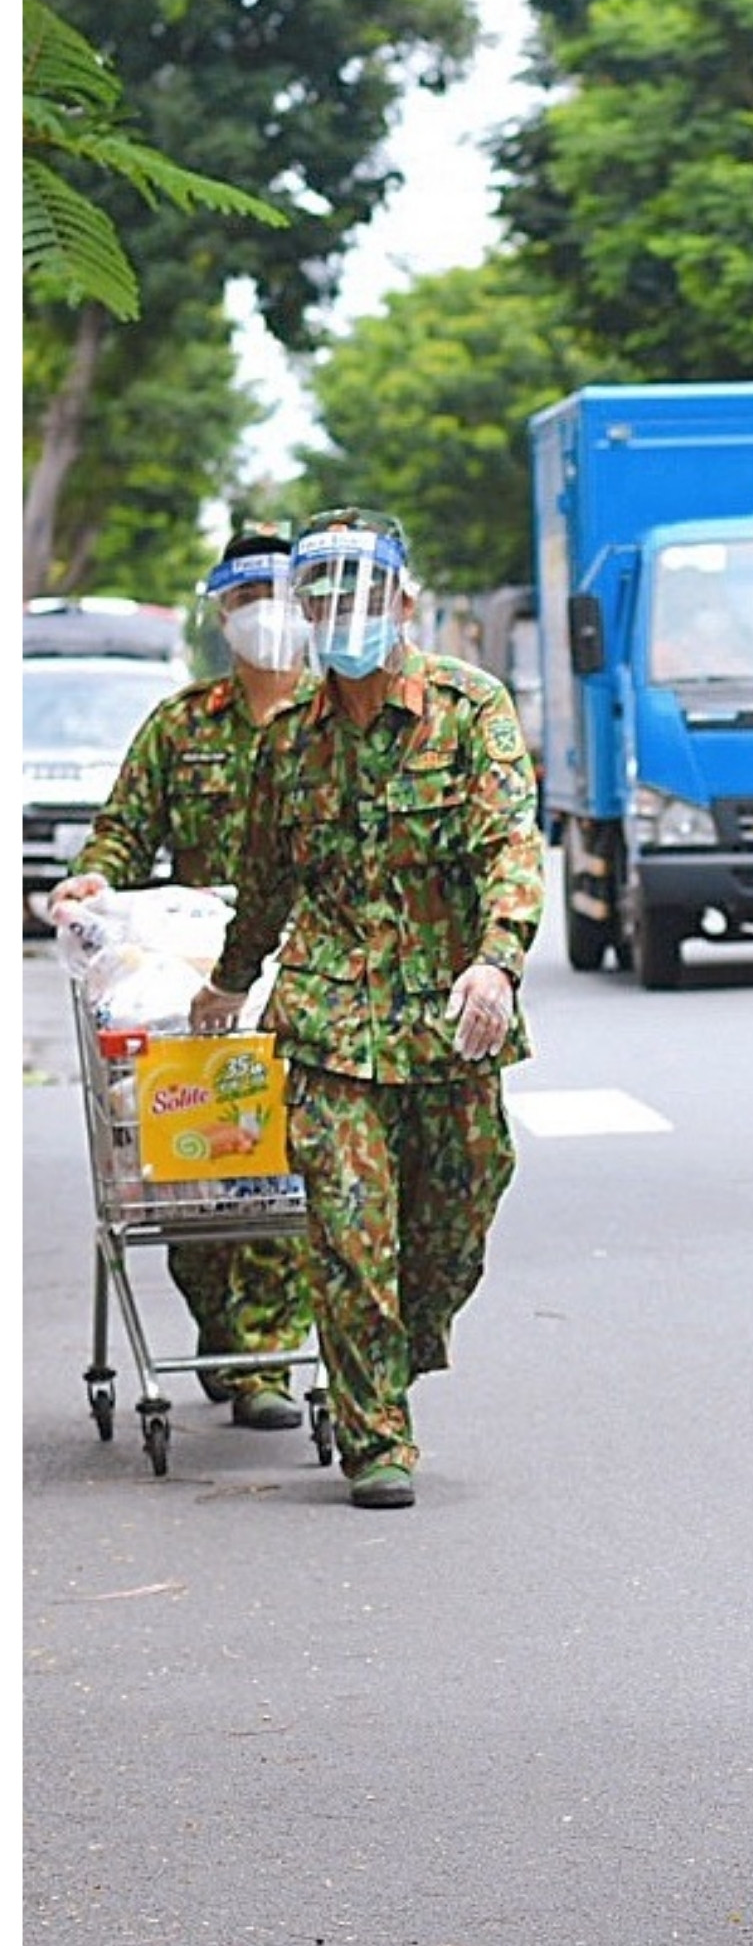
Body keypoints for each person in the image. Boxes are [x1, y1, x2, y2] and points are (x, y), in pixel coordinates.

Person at [185, 509, 542, 1511]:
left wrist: (496, 962)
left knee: (459, 1212)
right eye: (324, 592)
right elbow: (262, 879)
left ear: (404, 599)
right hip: (332, 1018)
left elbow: (510, 844)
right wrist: (228, 977)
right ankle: (374, 1428)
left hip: (451, 1009)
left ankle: (399, 1342)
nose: (345, 611)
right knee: (349, 1230)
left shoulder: (472, 708)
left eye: (363, 589)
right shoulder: (290, 739)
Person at [47, 521, 319, 1435]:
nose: (263, 619)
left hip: (298, 973)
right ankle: (224, 1332)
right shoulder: (180, 725)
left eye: (277, 601)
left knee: (282, 1168)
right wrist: (96, 875)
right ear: (221, 613)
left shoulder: (335, 714)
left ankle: (268, 1361)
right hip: (194, 983)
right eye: (246, 603)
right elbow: (123, 827)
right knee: (195, 1176)